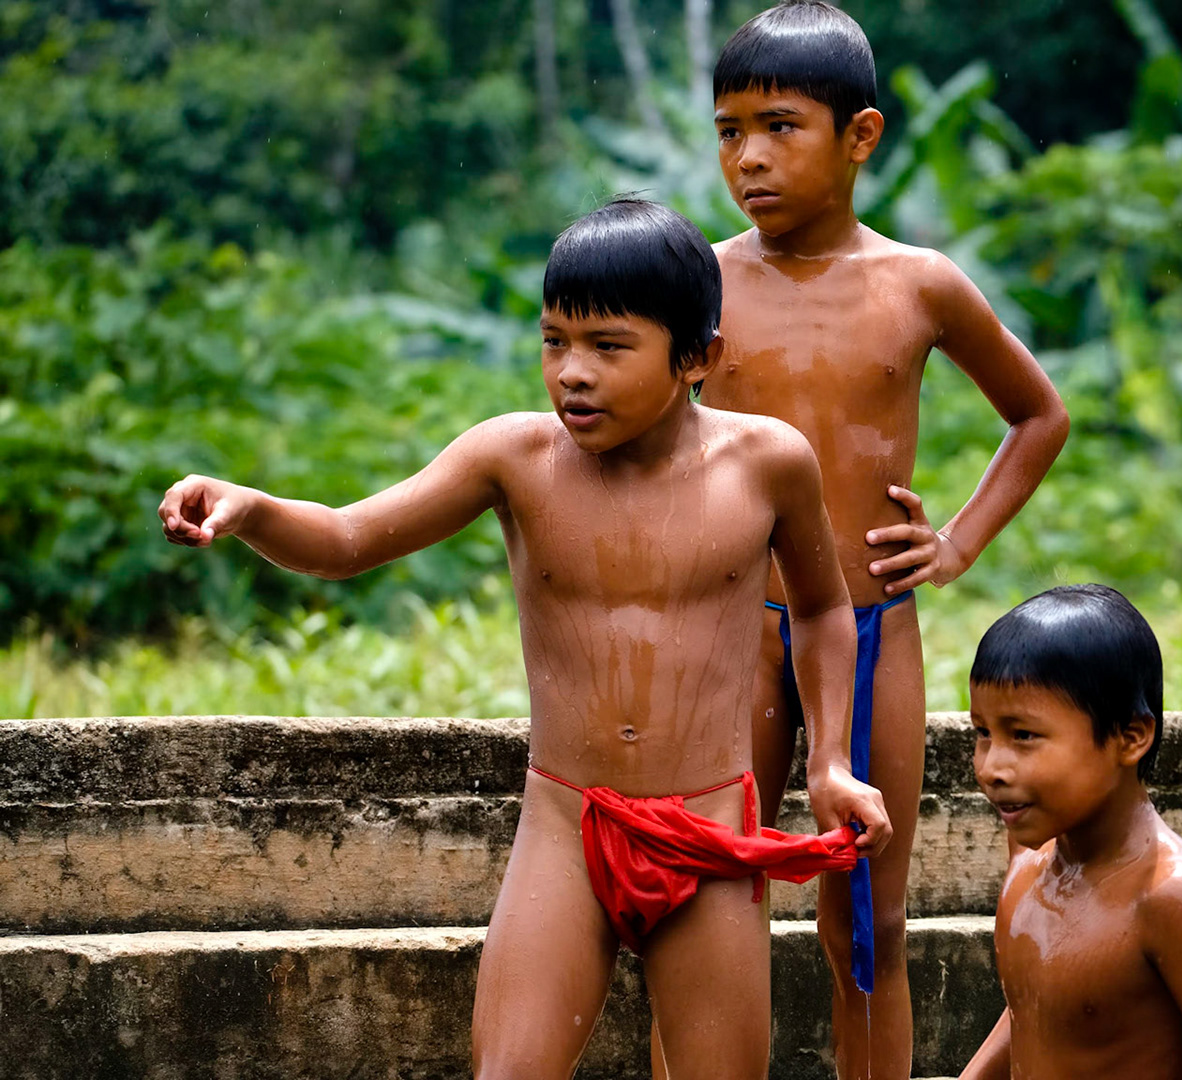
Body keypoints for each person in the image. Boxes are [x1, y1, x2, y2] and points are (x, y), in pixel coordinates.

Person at [154, 197, 892, 1080]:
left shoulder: (768, 462)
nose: (572, 373)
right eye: (554, 342)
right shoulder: (513, 458)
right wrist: (253, 510)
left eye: (609, 347)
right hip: (564, 828)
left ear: (698, 357)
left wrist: (830, 764)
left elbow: (818, 610)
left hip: (707, 831)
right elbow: (348, 539)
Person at [698, 3, 1071, 1076]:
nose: (750, 158)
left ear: (860, 136)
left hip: (871, 629)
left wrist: (954, 543)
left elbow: (1038, 414)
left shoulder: (919, 285)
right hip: (731, 636)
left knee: (867, 920)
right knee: (706, 902)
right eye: (729, 131)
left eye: (780, 126)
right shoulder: (701, 282)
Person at [960, 585, 1182, 1080]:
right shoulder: (1029, 860)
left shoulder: (1173, 897)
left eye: (1023, 735)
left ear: (1130, 737)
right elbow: (1036, 1013)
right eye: (983, 733)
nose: (991, 767)